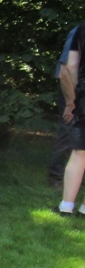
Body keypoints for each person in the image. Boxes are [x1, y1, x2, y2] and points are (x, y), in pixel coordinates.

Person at [57, 23, 85, 216]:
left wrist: (73, 100)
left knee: (80, 153)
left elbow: (69, 67)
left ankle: (66, 206)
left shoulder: (81, 29)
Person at [47, 24, 79, 187]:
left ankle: (78, 178)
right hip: (72, 90)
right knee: (68, 131)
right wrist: (70, 103)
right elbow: (64, 70)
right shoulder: (79, 32)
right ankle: (56, 177)